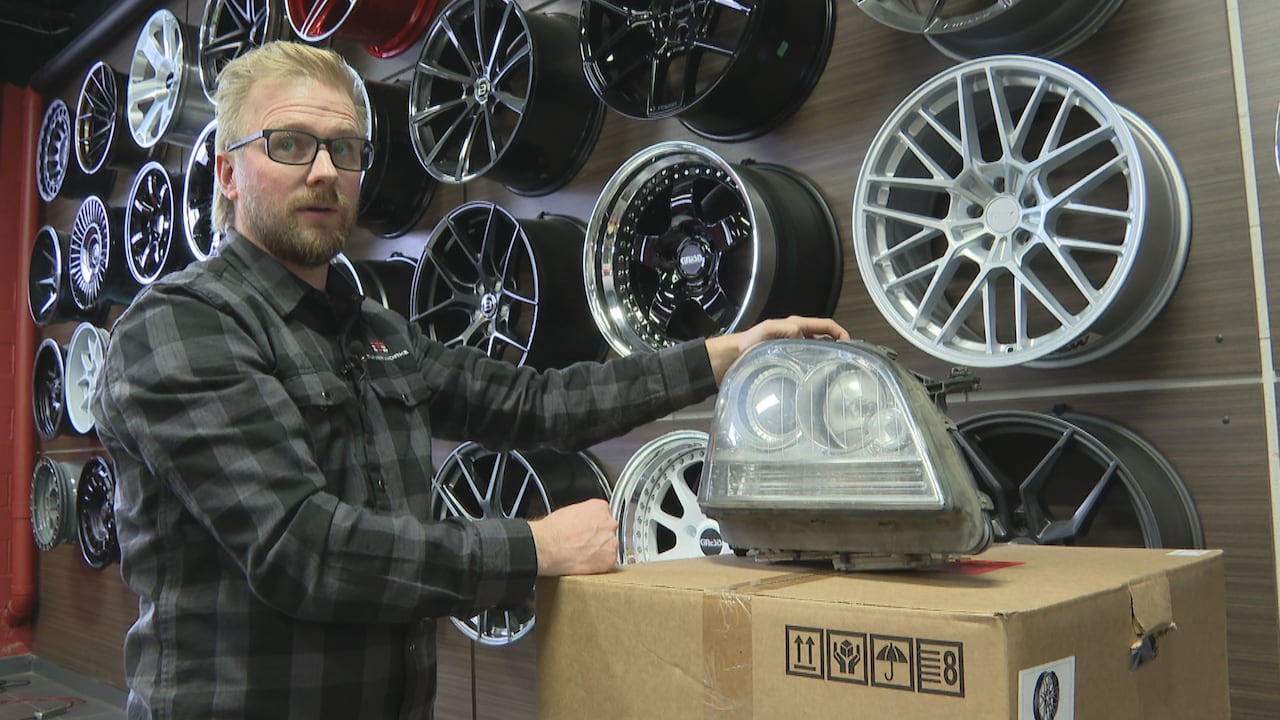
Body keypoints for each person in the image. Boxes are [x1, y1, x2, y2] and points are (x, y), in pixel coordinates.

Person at [91, 41, 849, 720]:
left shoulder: (372, 330)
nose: (324, 171)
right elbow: (304, 550)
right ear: (227, 171)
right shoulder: (181, 329)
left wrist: (719, 357)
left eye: (344, 148)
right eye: (290, 145)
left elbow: (539, 404)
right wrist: (535, 548)